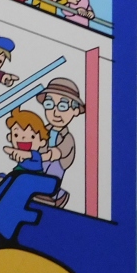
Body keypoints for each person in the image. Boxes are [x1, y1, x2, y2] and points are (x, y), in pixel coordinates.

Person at [33, 78, 84, 208]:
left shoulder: (68, 138)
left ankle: (56, 194)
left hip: (55, 167)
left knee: (52, 169)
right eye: (49, 104)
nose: (55, 112)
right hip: (39, 164)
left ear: (75, 110)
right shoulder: (42, 130)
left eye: (62, 106)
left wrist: (43, 156)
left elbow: (57, 153)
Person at [2, 109, 51, 175]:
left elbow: (28, 155)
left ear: (42, 142)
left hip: (36, 176)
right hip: (19, 173)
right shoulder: (17, 154)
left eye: (32, 136)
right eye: (16, 135)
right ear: (10, 137)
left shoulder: (36, 155)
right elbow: (6, 149)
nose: (23, 138)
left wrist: (19, 153)